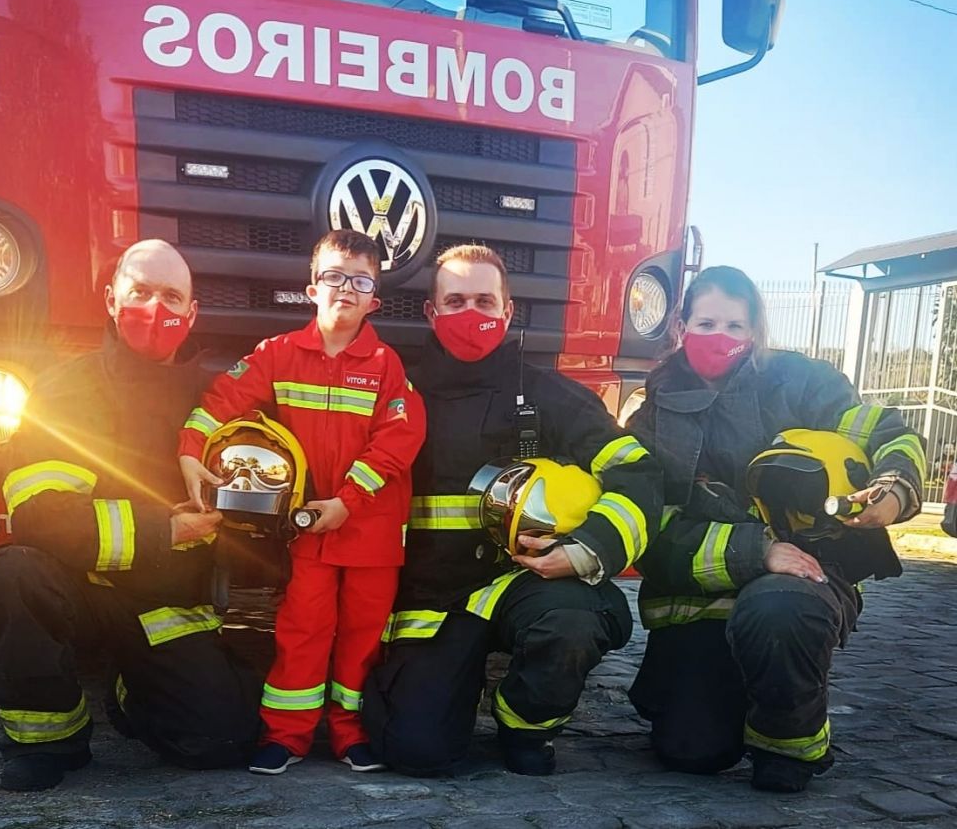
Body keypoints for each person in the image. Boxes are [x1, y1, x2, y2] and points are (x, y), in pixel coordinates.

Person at [0, 239, 261, 793]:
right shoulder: (63, 389)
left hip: (167, 601)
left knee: (221, 740)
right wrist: (162, 528)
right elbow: (40, 516)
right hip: (71, 586)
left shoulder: (216, 400)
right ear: (111, 298)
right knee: (11, 573)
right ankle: (49, 740)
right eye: (140, 291)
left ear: (192, 313)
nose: (155, 308)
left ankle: (132, 689)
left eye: (172, 296)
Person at [362, 244, 663, 776]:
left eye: (484, 300)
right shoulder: (396, 392)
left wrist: (588, 548)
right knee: (417, 752)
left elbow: (638, 473)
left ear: (507, 312)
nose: (470, 314)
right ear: (432, 313)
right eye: (455, 301)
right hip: (431, 599)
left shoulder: (550, 395)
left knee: (572, 621)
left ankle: (525, 725)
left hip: (522, 581)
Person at [625, 265, 925, 793]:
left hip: (800, 583)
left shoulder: (803, 383)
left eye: (735, 327)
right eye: (707, 322)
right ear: (681, 326)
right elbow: (653, 536)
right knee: (692, 751)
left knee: (780, 611)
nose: (720, 337)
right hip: (700, 597)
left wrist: (895, 486)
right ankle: (700, 689)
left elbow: (886, 432)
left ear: (756, 331)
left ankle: (790, 740)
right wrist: (755, 551)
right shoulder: (651, 416)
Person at [178, 230, 426, 775]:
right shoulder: (278, 355)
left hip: (372, 533)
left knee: (363, 637)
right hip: (311, 531)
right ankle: (286, 735)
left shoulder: (388, 367)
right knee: (302, 628)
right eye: (334, 276)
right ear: (311, 288)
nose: (346, 289)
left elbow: (398, 442)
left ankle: (350, 733)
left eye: (360, 281)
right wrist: (191, 452)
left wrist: (349, 500)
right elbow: (220, 402)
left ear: (374, 299)